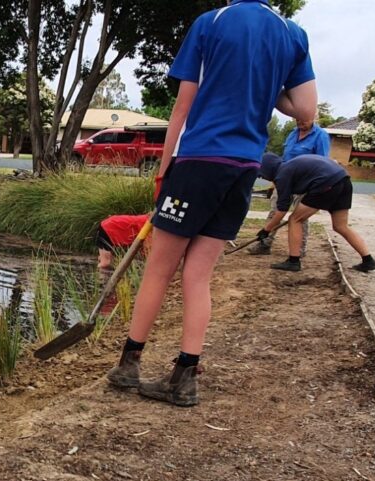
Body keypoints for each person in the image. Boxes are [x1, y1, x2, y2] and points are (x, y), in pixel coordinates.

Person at [106, 0, 317, 408]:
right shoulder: (293, 34)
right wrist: (267, 85)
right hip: (244, 168)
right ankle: (184, 378)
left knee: (160, 269)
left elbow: (182, 108)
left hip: (198, 160)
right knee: (198, 275)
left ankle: (129, 365)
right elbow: (306, 110)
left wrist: (163, 174)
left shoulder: (211, 22)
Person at [254, 152, 375, 273]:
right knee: (340, 226)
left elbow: (281, 211)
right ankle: (368, 260)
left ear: (267, 169)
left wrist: (266, 230)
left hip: (326, 183)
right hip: (343, 180)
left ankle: (293, 261)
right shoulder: (290, 166)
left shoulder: (282, 175)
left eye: (261, 174)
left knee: (295, 219)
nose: (262, 177)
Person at [249, 115, 331, 255]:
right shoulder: (293, 134)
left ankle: (299, 250)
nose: (300, 121)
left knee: (299, 217)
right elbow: (284, 158)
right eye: (297, 119)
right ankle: (265, 243)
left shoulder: (321, 136)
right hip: (284, 179)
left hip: (305, 182)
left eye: (303, 118)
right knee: (275, 210)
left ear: (313, 117)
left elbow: (321, 162)